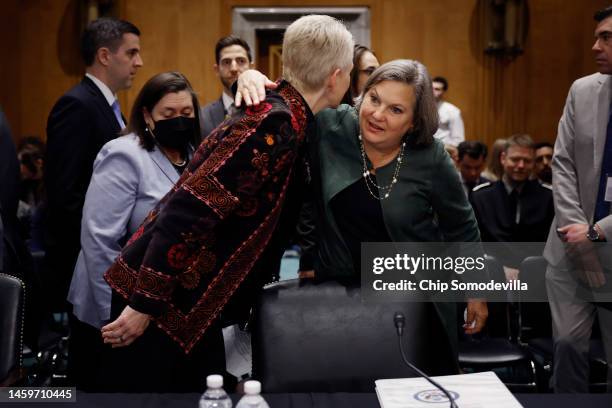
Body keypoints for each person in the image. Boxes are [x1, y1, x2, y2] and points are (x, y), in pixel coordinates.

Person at [98, 15, 354, 393]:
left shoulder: (289, 116)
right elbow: (189, 209)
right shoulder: (275, 122)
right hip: (161, 303)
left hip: (185, 302)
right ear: (335, 77)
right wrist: (145, 304)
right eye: (348, 71)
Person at [236, 59, 488, 369]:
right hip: (343, 300)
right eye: (374, 99)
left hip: (417, 300)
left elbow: (462, 228)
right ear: (363, 95)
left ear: (414, 121)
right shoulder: (331, 127)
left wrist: (477, 290)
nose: (378, 115)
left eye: (396, 110)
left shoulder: (431, 157)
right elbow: (284, 107)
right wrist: (250, 77)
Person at [66, 72, 199, 391]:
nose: (178, 121)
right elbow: (98, 240)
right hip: (117, 305)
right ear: (146, 115)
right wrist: (115, 314)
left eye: (186, 114)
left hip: (163, 306)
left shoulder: (196, 155)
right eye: (168, 114)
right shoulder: (124, 154)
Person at [44, 17, 142, 312]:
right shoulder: (77, 105)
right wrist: (101, 243)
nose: (139, 62)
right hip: (86, 258)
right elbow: (65, 194)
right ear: (104, 55)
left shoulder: (108, 105)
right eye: (131, 53)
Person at [543, 6, 612, 393]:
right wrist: (579, 237)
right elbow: (562, 162)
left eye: (607, 37)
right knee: (567, 346)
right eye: (597, 35)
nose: (595, 46)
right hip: (570, 250)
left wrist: (597, 234)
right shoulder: (583, 90)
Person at [471, 134, 554, 279]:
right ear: (503, 158)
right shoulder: (481, 197)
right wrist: (500, 270)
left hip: (536, 275)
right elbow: (474, 243)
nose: (521, 166)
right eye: (515, 159)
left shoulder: (548, 197)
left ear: (534, 162)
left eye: (527, 161)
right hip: (492, 274)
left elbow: (549, 244)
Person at [200, 35, 254, 138]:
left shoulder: (268, 109)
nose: (234, 68)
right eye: (226, 62)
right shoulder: (202, 117)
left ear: (251, 67)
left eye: (241, 61)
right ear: (217, 70)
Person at [432, 76, 465, 146]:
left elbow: (458, 140)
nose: (432, 91)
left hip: (444, 150)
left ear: (443, 92)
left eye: (437, 89)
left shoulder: (453, 111)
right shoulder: (420, 108)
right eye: (430, 88)